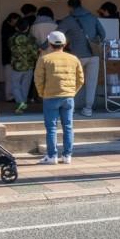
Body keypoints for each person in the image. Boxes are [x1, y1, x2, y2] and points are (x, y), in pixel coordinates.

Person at [33, 30, 84, 165]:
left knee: (51, 128)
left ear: (50, 44)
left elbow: (38, 79)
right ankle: (67, 156)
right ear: (65, 44)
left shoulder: (44, 59)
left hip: (50, 97)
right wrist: (72, 91)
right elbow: (81, 79)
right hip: (68, 97)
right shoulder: (74, 59)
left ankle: (52, 156)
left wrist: (42, 93)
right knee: (68, 126)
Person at [58, 0, 106, 117]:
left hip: (77, 56)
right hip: (94, 55)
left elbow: (57, 35)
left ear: (70, 7)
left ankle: (71, 108)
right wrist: (94, 41)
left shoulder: (68, 20)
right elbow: (103, 34)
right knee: (91, 83)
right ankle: (88, 109)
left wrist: (42, 47)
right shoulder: (92, 17)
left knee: (72, 82)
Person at [9, 18, 39, 114]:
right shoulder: (31, 38)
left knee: (15, 85)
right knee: (25, 86)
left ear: (16, 27)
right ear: (28, 27)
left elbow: (11, 49)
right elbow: (35, 53)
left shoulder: (12, 38)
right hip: (29, 65)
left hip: (16, 65)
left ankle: (20, 103)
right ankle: (22, 105)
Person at [0, 11, 20, 102]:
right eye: (16, 20)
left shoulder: (5, 27)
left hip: (8, 57)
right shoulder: (9, 30)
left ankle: (11, 96)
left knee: (10, 78)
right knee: (10, 78)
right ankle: (9, 96)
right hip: (9, 57)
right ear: (11, 19)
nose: (17, 23)